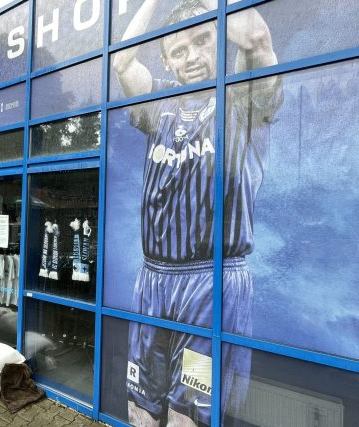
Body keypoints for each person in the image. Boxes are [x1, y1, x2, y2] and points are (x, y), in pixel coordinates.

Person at [112, 0, 282, 426]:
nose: (191, 58)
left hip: (209, 285)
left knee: (188, 416)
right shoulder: (160, 105)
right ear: (167, 59)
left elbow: (259, 39)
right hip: (153, 283)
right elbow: (121, 61)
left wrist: (213, 8)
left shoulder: (240, 97)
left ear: (220, 41)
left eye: (202, 42)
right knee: (140, 406)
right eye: (179, 50)